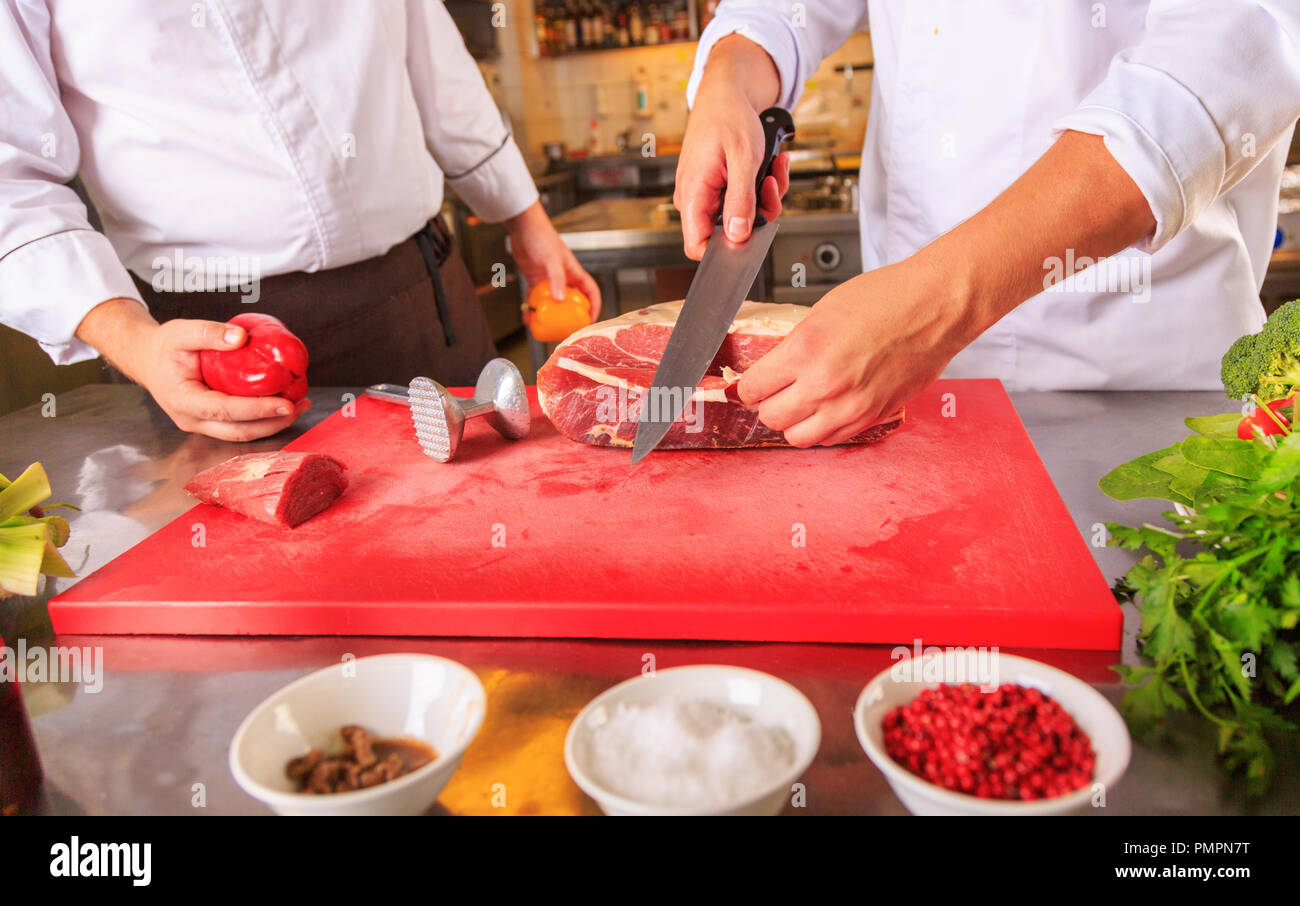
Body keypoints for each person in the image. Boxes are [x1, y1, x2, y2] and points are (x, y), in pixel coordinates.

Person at [676, 1, 1300, 447]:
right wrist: (728, 77)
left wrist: (940, 297)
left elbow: (1227, 56)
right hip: (904, 410)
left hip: (1142, 399)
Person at [0, 0, 599, 441]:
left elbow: (433, 56)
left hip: (422, 292)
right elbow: (10, 176)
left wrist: (526, 218)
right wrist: (134, 341)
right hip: (219, 342)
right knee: (287, 595)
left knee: (482, 548)